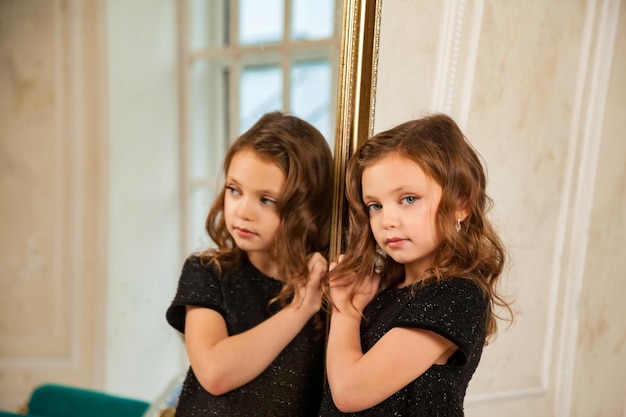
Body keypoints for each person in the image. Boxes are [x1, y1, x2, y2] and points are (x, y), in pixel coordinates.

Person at [319, 113, 512, 416]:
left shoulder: (456, 296)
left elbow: (349, 392)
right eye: (375, 206)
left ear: (461, 204)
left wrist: (347, 311)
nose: (387, 221)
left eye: (408, 199)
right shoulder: (383, 290)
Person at [166, 111, 334, 417]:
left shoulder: (330, 291)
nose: (243, 212)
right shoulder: (207, 272)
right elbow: (215, 372)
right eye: (235, 190)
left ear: (306, 209)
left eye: (267, 200)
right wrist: (299, 309)